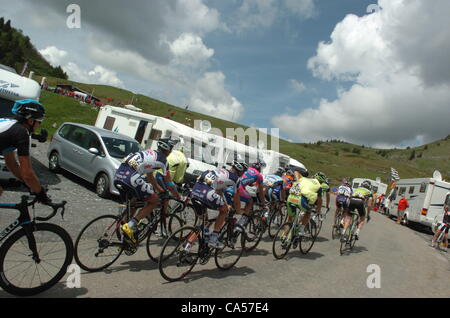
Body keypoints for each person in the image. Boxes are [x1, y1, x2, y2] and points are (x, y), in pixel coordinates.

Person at [115, 138, 179, 243]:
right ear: (168, 150)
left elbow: (150, 176)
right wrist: (177, 195)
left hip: (118, 175)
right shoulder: (163, 161)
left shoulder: (148, 152)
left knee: (134, 203)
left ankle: (124, 231)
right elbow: (169, 183)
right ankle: (131, 226)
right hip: (131, 178)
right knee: (155, 201)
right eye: (171, 149)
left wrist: (160, 189)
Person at [0, 99, 50, 203]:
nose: (39, 125)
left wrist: (26, 183)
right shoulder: (22, 133)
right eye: (39, 121)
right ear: (31, 120)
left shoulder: (11, 126)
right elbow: (27, 173)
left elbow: (11, 163)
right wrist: (41, 193)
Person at [190, 161, 246, 248]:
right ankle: (214, 238)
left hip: (195, 191)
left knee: (202, 223)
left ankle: (187, 246)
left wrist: (224, 203)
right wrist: (239, 211)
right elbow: (237, 200)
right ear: (241, 171)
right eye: (244, 172)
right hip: (207, 193)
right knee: (224, 211)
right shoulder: (236, 179)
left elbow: (218, 191)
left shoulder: (221, 170)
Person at [285, 168, 324, 236]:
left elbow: (296, 171)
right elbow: (320, 201)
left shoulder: (304, 179)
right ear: (321, 181)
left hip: (290, 197)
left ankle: (284, 236)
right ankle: (301, 229)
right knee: (308, 212)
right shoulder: (319, 186)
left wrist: (297, 181)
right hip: (301, 200)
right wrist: (318, 210)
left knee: (290, 219)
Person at [235, 159, 268, 228]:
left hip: (232, 186)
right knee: (250, 202)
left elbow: (245, 179)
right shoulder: (259, 175)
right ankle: (241, 222)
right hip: (239, 189)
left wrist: (250, 184)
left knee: (232, 207)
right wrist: (263, 203)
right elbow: (261, 192)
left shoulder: (247, 168)